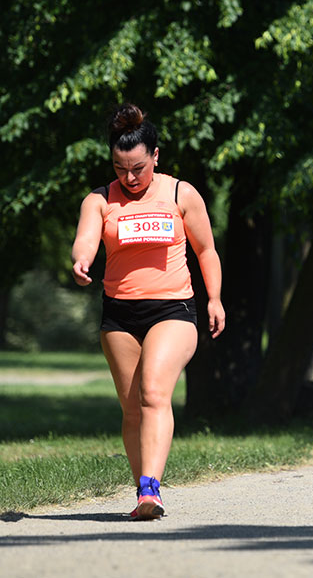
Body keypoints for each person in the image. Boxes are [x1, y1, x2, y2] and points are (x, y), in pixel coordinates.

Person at [71, 103, 225, 520]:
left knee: (155, 392)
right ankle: (144, 494)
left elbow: (206, 250)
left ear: (155, 156)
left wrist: (214, 298)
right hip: (119, 315)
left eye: (138, 167)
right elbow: (86, 239)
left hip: (173, 310)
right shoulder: (100, 200)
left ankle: (151, 489)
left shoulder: (180, 194)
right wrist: (82, 260)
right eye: (120, 168)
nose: (130, 177)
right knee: (132, 407)